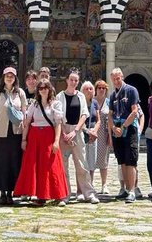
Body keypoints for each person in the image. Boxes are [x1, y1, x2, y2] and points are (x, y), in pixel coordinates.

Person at [14, 79, 68, 206]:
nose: (43, 90)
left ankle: (57, 195)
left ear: (50, 89)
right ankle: (40, 196)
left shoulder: (55, 104)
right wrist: (24, 139)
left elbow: (58, 124)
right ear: (38, 90)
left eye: (46, 87)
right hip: (35, 137)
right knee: (36, 166)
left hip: (49, 136)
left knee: (51, 165)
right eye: (41, 88)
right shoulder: (34, 104)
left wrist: (56, 141)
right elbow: (27, 123)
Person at [56, 70, 99, 204]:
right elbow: (58, 117)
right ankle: (65, 194)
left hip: (77, 131)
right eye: (71, 80)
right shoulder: (60, 96)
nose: (73, 82)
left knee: (81, 164)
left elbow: (84, 115)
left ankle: (88, 193)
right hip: (64, 131)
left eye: (76, 80)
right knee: (63, 165)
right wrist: (63, 133)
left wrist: (75, 131)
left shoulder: (80, 96)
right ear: (67, 80)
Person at [0, 66, 27, 205]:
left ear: (15, 78)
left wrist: (24, 128)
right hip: (1, 131)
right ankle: (2, 192)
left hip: (16, 131)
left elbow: (24, 112)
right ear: (3, 78)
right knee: (1, 161)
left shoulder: (20, 93)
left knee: (14, 161)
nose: (9, 78)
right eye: (7, 76)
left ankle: (11, 192)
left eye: (12, 76)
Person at [108, 67, 140, 203]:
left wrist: (123, 127)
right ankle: (126, 189)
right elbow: (109, 115)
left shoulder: (131, 90)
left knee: (131, 161)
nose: (116, 81)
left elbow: (134, 111)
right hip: (117, 130)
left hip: (129, 128)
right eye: (114, 79)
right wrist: (114, 128)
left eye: (118, 78)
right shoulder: (112, 95)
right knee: (122, 161)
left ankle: (132, 190)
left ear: (122, 77)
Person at [80, 81, 100, 195]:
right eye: (86, 89)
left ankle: (91, 184)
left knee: (92, 161)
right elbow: (79, 120)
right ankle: (83, 186)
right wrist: (87, 131)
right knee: (83, 161)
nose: (89, 91)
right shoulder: (80, 102)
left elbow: (98, 120)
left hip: (93, 134)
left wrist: (94, 131)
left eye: (91, 89)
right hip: (83, 133)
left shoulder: (95, 103)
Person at [93, 80, 112, 194]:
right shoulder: (91, 102)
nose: (101, 90)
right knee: (90, 159)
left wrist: (110, 136)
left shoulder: (109, 102)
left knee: (104, 160)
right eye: (99, 88)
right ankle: (90, 183)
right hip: (93, 133)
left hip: (104, 133)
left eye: (103, 88)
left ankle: (104, 184)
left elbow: (110, 120)